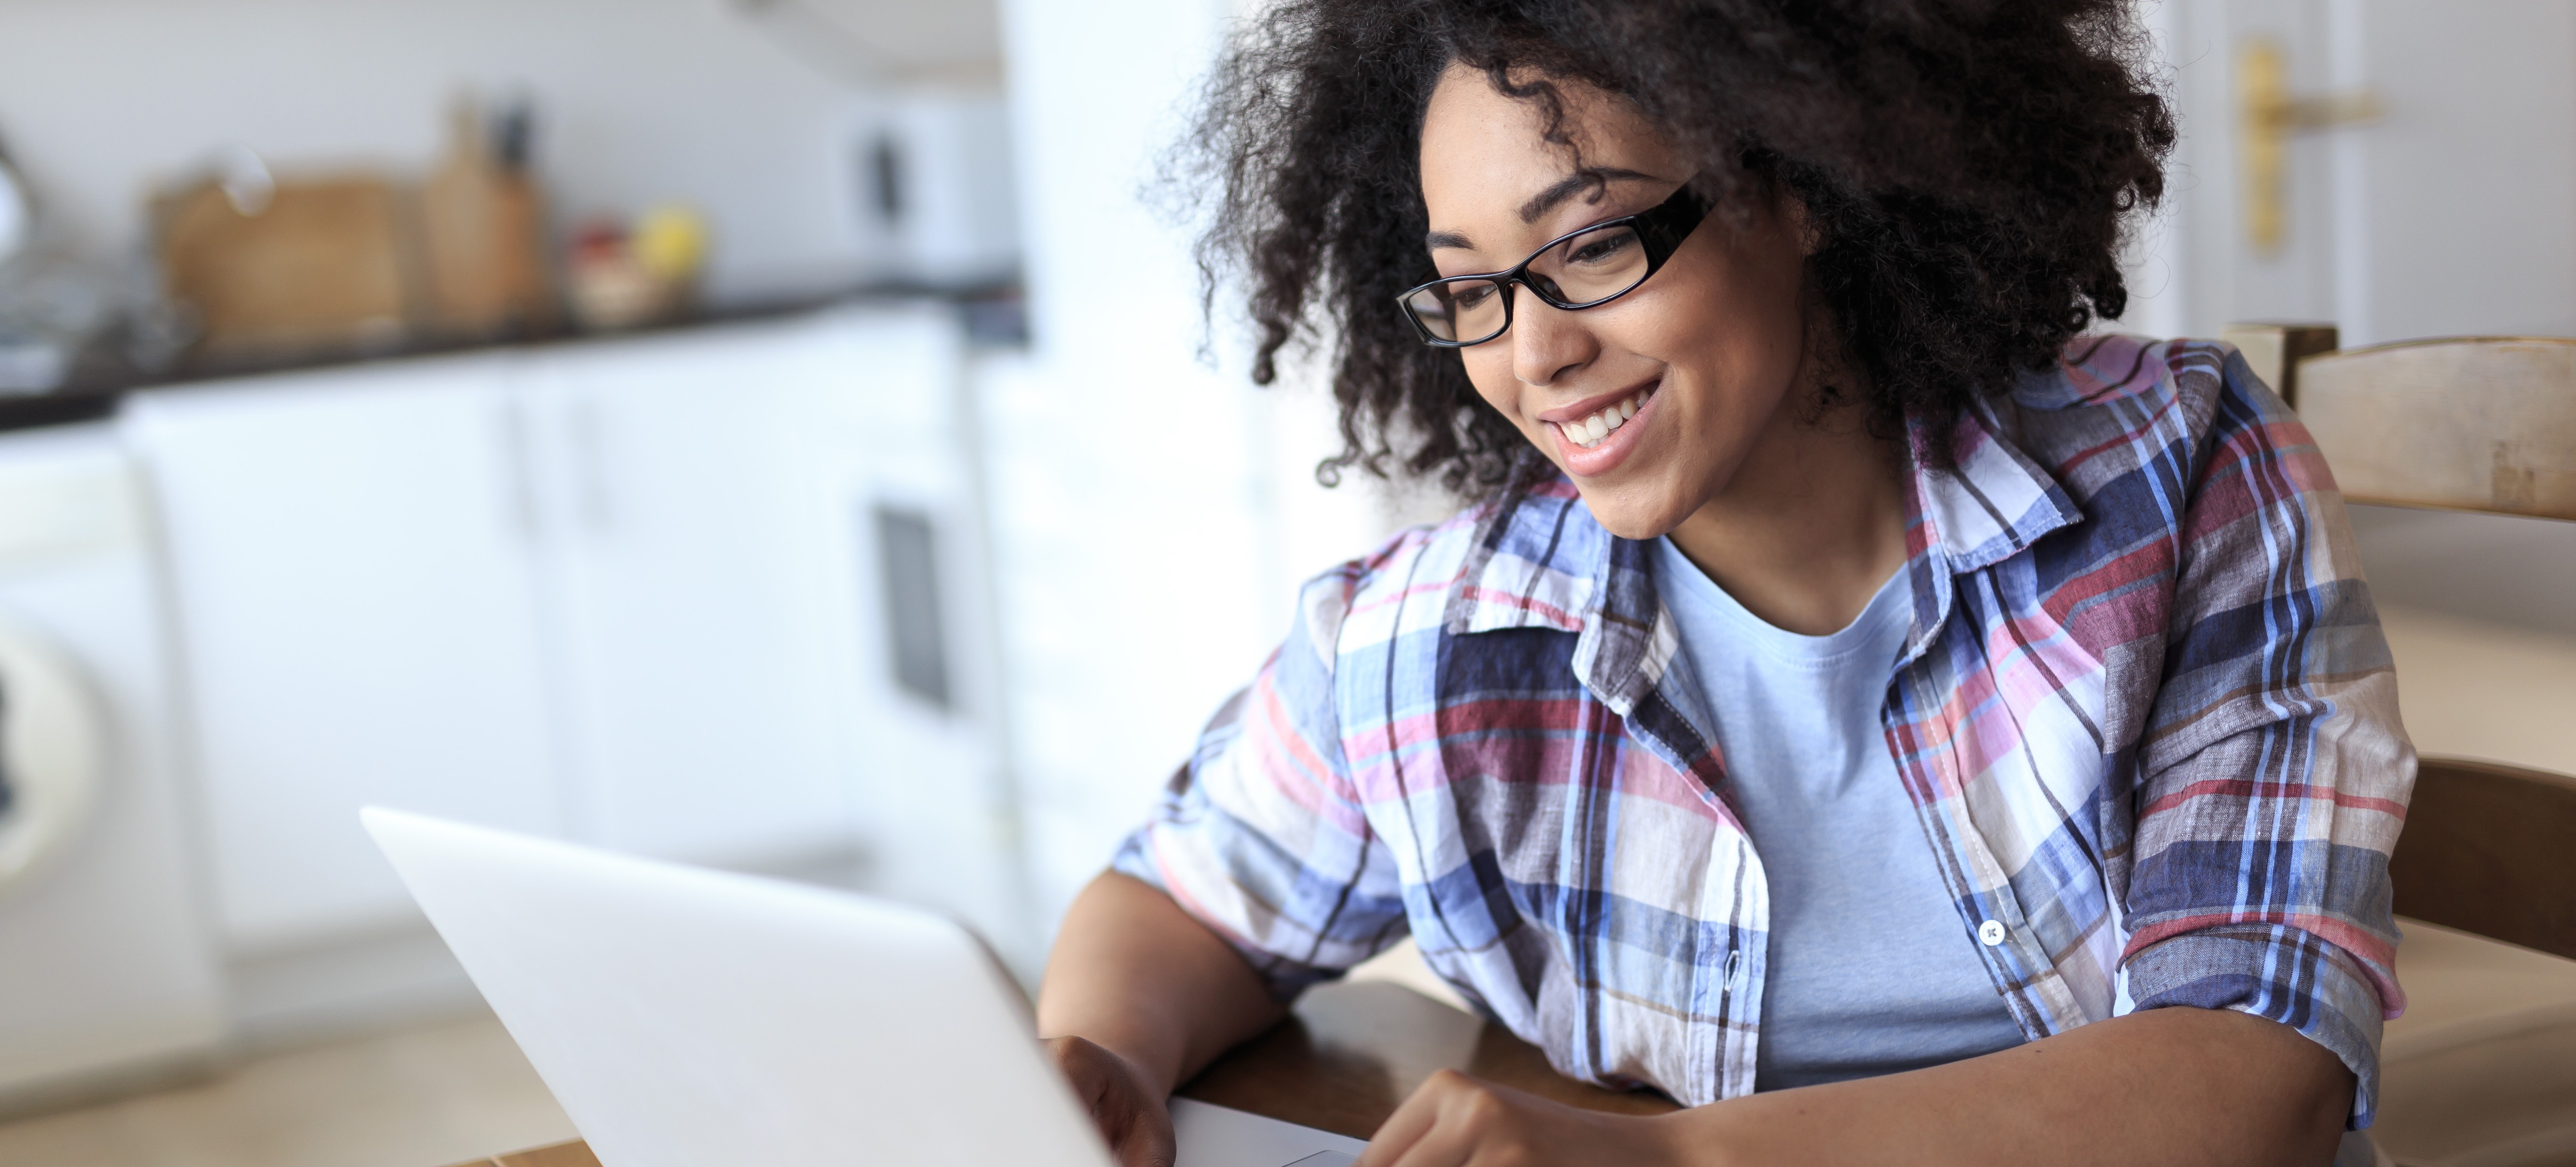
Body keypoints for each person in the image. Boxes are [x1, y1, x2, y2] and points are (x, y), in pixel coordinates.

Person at [1036, 3, 2414, 1165]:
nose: (1536, 355)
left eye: (1591, 244)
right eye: (1470, 291)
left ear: (1802, 179)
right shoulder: (1432, 640)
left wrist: (1669, 1160)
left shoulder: (2174, 472)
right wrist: (1102, 1059)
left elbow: (2261, 1069)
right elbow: (1177, 903)